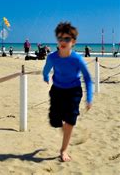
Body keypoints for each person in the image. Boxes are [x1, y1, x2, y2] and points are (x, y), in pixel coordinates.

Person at [42, 21, 93, 163]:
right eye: (60, 38)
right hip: (57, 90)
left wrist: (89, 98)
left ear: (73, 42)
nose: (62, 41)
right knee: (55, 121)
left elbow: (88, 79)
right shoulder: (52, 57)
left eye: (66, 39)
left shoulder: (77, 59)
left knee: (70, 120)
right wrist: (45, 76)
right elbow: (46, 69)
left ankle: (63, 150)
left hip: (74, 91)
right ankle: (67, 132)